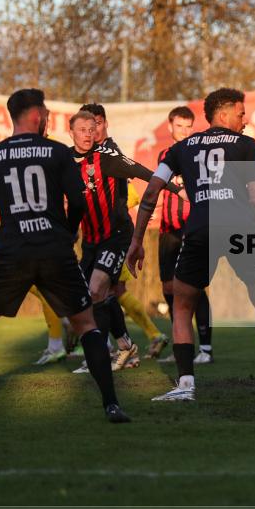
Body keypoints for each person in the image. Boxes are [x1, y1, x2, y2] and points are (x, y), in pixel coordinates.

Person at [0, 89, 129, 424]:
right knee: (87, 326)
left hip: (12, 251)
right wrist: (67, 235)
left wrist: (5, 242)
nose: (49, 117)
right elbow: (78, 203)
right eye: (47, 112)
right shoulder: (57, 152)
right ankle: (111, 404)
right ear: (36, 116)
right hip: (55, 249)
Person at [126, 88, 255, 400]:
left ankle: (185, 386)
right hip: (240, 228)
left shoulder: (181, 149)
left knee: (181, 305)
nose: (245, 120)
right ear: (224, 113)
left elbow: (151, 192)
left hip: (201, 229)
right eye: (241, 113)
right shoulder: (246, 145)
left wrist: (137, 241)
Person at [69, 108, 183, 374]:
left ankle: (99, 355)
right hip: (90, 241)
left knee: (99, 289)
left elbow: (145, 173)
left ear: (102, 126)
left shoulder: (107, 156)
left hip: (116, 236)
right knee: (94, 297)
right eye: (84, 128)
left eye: (93, 127)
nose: (89, 133)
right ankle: (125, 345)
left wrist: (178, 190)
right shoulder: (65, 159)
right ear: (71, 131)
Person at [149, 106, 214, 364]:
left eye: (189, 126)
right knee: (168, 287)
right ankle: (181, 342)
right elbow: (160, 187)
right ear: (170, 127)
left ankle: (206, 350)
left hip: (192, 227)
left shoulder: (199, 154)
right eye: (179, 126)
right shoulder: (164, 155)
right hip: (167, 230)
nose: (184, 131)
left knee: (193, 287)